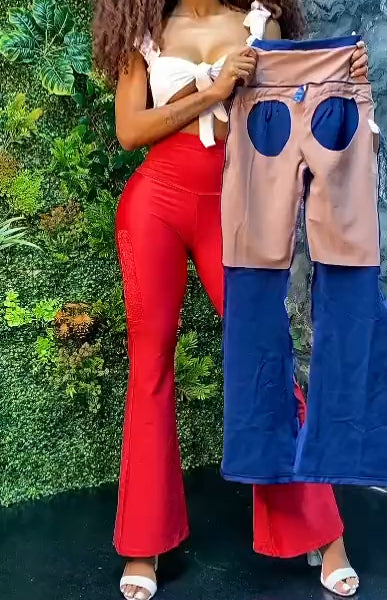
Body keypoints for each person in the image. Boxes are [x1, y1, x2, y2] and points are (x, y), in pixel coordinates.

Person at [93, 1, 369, 598]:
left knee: (266, 359)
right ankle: (142, 545)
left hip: (232, 204)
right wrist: (213, 91)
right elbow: (130, 131)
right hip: (154, 206)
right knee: (150, 367)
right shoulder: (142, 30)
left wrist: (341, 84)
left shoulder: (258, 23)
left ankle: (324, 536)